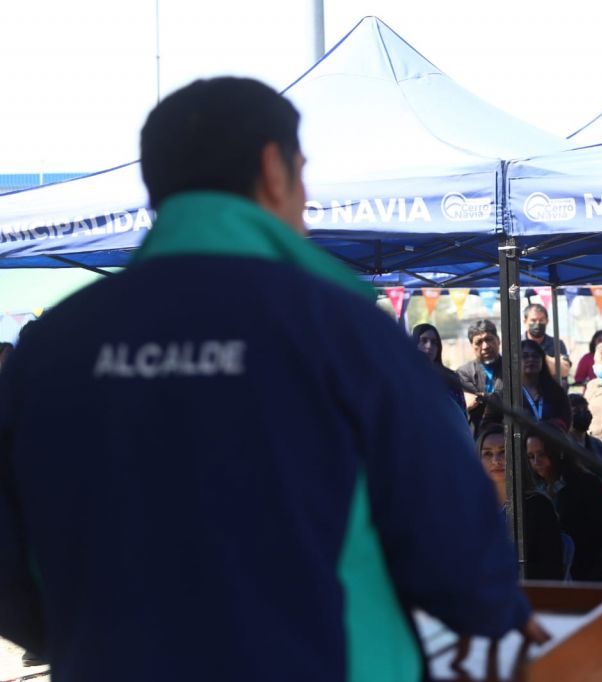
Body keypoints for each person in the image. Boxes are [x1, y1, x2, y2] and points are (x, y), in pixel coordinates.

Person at [0, 77, 545, 681]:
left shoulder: (51, 346)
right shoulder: (342, 327)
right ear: (273, 169)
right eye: (303, 174)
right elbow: (453, 541)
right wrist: (494, 609)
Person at [476, 424, 563, 580]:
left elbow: (551, 569)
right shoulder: (469, 506)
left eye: (503, 452)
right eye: (488, 454)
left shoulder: (538, 506)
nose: (496, 460)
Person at [526, 430, 602, 581]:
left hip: (583, 570)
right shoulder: (531, 489)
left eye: (542, 454)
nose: (536, 462)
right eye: (530, 457)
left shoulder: (586, 484)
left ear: (559, 451)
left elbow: (601, 534)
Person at [411, 322, 467, 419]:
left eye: (434, 342)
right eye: (424, 340)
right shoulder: (404, 377)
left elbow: (461, 416)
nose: (429, 346)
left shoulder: (450, 378)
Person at [457, 319, 503, 433]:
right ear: (472, 345)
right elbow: (471, 403)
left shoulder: (511, 368)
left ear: (498, 340)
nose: (485, 346)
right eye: (479, 342)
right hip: (477, 437)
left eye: (489, 339)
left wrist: (482, 397)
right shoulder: (464, 373)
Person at [523, 303, 571, 381]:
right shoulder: (516, 343)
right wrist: (552, 363)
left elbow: (564, 370)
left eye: (541, 320)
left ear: (547, 321)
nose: (538, 323)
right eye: (533, 320)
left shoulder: (557, 344)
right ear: (525, 322)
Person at [567, 393, 602, 470]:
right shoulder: (561, 446)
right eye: (576, 410)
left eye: (585, 409)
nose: (583, 413)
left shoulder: (600, 447)